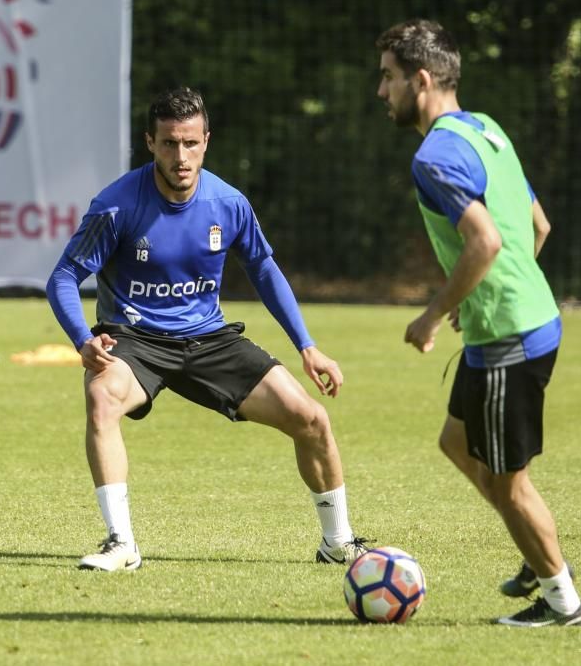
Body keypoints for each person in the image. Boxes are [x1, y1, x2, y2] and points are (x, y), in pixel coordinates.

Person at [46, 87, 367, 571]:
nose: (181, 156)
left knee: (312, 418)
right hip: (135, 341)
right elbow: (64, 277)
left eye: (191, 143)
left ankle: (337, 542)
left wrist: (307, 345)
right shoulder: (115, 206)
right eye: (171, 143)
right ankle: (121, 543)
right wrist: (83, 339)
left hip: (209, 338)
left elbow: (264, 270)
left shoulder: (228, 202)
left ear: (207, 141)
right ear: (150, 143)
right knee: (101, 399)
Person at [375, 20, 581, 627]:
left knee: (509, 482)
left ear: (420, 80)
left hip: (507, 340)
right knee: (455, 443)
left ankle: (561, 602)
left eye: (388, 77)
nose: (381, 91)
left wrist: (433, 315)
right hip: (528, 319)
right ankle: (534, 552)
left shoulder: (434, 154)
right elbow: (537, 226)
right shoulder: (485, 128)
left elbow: (485, 241)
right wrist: (491, 295)